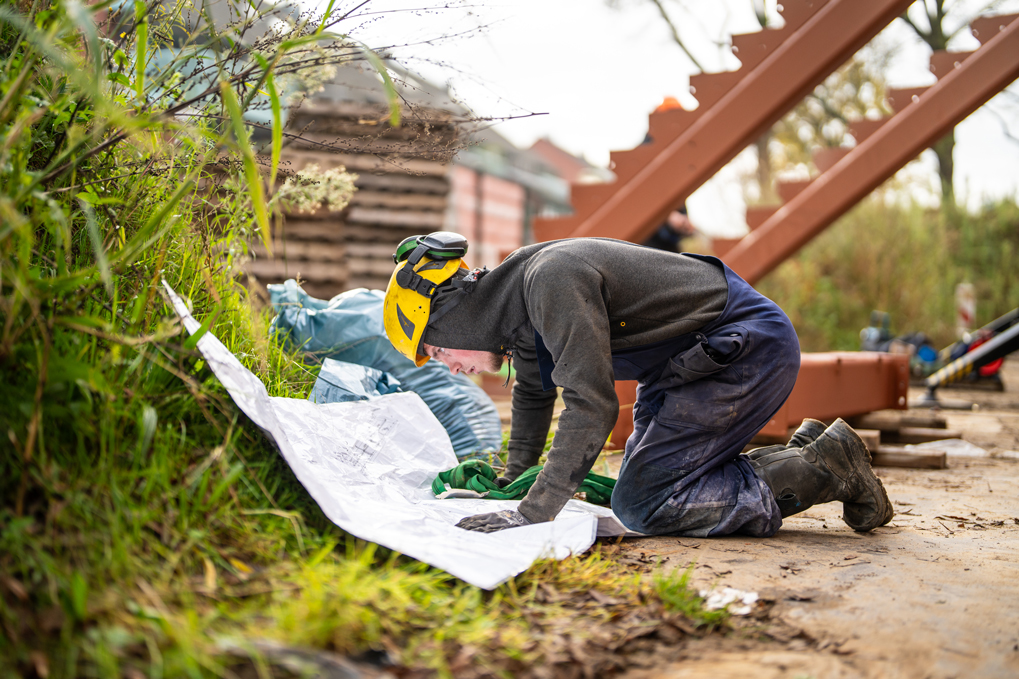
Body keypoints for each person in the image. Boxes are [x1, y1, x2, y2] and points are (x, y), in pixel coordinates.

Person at [383, 232, 893, 536]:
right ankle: (807, 457)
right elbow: (535, 390)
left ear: (450, 321)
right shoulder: (517, 306)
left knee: (645, 504)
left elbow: (591, 406)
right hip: (686, 366)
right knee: (645, 483)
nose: (447, 366)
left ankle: (823, 470)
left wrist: (533, 513)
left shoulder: (549, 279)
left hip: (742, 351)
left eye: (434, 350)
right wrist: (511, 483)